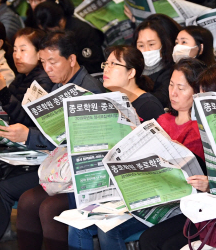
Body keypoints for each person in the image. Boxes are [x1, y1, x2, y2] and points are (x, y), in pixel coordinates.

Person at [0, 31, 105, 250]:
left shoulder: (86, 89)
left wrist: (28, 136)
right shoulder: (61, 83)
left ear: (72, 59)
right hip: (50, 159)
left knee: (5, 190)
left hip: (76, 170)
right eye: (43, 62)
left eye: (52, 62)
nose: (47, 68)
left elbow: (75, 140)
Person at [66, 46, 165, 250]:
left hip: (143, 190)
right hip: (113, 188)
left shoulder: (148, 104)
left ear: (131, 73)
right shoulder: (108, 102)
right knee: (76, 227)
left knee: (107, 230)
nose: (106, 69)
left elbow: (159, 157)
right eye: (106, 63)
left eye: (114, 64)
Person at [136, 59, 214, 250]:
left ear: (197, 92)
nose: (173, 93)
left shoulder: (199, 130)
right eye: (171, 85)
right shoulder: (163, 119)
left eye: (181, 87)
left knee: (154, 241)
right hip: (155, 194)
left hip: (186, 201)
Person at [34, 0, 105, 74]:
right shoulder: (59, 30)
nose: (48, 33)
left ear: (60, 21)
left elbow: (93, 65)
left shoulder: (82, 32)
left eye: (49, 30)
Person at [134, 18, 176, 108]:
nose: (146, 50)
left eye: (151, 44)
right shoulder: (132, 71)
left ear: (163, 44)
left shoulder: (172, 71)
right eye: (141, 45)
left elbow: (162, 98)